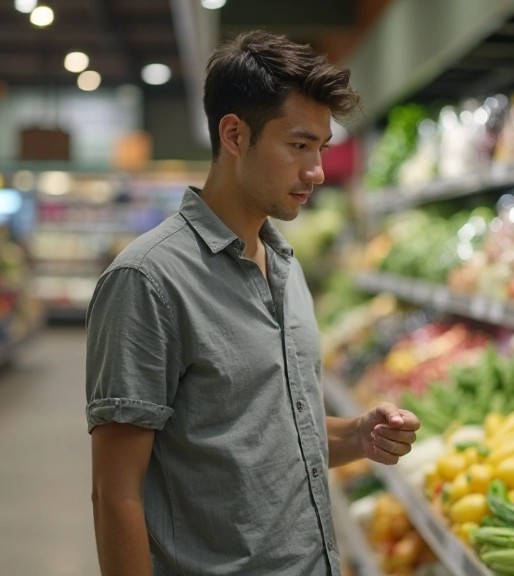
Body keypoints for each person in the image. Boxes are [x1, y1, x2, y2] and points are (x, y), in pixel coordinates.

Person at [85, 30, 421, 576]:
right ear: (235, 135)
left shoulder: (285, 265)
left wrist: (358, 434)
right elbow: (114, 493)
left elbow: (268, 435)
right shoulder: (147, 280)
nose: (316, 171)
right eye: (298, 146)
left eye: (321, 148)